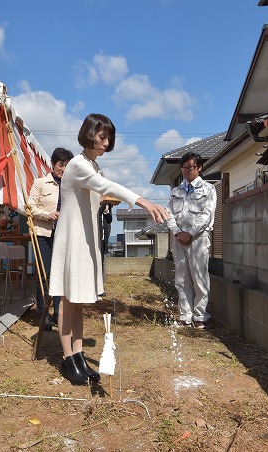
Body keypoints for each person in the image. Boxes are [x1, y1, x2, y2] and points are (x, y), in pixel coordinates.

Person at [49, 113, 169, 385]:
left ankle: (78, 355)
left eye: (109, 139)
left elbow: (100, 191)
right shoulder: (79, 164)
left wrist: (110, 202)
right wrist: (141, 201)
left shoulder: (91, 166)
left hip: (85, 240)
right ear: (89, 134)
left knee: (78, 302)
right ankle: (67, 358)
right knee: (67, 302)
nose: (106, 143)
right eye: (103, 137)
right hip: (72, 240)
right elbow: (105, 186)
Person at [165, 152, 217, 329]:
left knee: (199, 277)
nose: (187, 170)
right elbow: (169, 214)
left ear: (199, 168)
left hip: (199, 238)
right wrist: (178, 232)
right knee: (181, 278)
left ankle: (200, 316)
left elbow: (207, 214)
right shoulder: (176, 191)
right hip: (179, 239)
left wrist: (191, 233)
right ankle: (185, 315)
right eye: (184, 167)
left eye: (191, 167)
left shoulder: (209, 189)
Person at [28, 147, 74, 330]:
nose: (63, 169)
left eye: (66, 166)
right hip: (43, 234)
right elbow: (28, 208)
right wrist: (48, 215)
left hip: (63, 235)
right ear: (53, 164)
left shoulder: (71, 186)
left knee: (60, 275)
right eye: (60, 165)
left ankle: (58, 313)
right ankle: (43, 315)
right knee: (44, 275)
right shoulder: (41, 183)